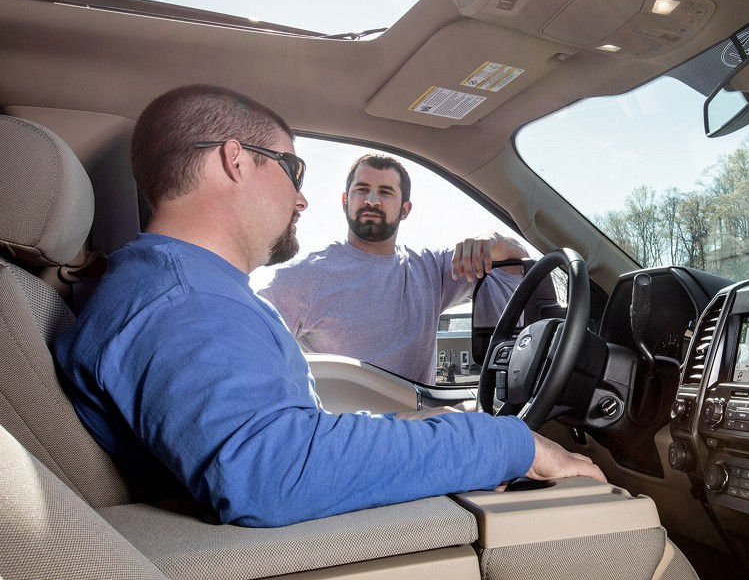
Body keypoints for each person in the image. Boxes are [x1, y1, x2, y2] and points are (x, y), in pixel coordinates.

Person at [55, 84, 603, 528]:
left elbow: (273, 434)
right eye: (293, 171)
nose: (301, 199)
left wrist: (430, 430)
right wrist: (505, 442)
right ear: (236, 162)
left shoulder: (181, 288)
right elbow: (273, 471)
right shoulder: (184, 303)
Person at [258, 153, 523, 385]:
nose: (372, 200)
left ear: (405, 209)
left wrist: (489, 241)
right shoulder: (301, 278)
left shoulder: (432, 270)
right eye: (361, 190)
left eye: (385, 192)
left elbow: (516, 259)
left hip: (420, 427)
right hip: (346, 434)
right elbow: (252, 355)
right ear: (344, 201)